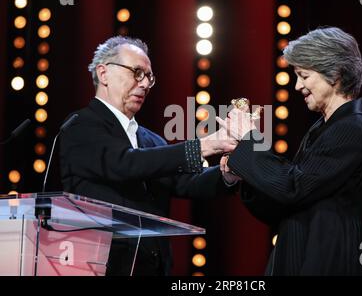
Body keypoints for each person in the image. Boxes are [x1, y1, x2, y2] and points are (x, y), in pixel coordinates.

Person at [59, 36, 238, 276]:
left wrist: (228, 173)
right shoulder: (80, 126)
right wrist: (203, 146)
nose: (144, 84)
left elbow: (186, 182)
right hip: (101, 266)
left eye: (149, 77)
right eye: (136, 72)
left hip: (150, 267)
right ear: (104, 74)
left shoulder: (150, 139)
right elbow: (124, 163)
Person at [219, 27, 362, 275]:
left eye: (303, 75)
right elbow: (283, 203)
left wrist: (250, 140)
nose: (297, 86)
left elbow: (293, 187)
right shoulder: (324, 127)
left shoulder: (351, 128)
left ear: (334, 73)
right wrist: (244, 174)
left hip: (326, 261)